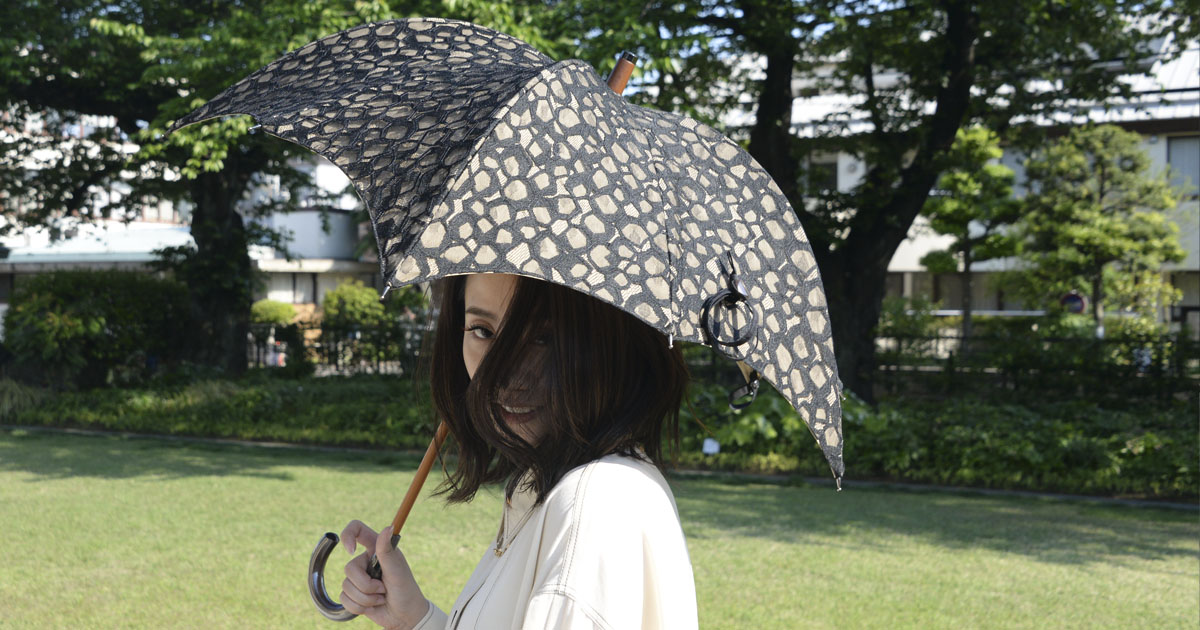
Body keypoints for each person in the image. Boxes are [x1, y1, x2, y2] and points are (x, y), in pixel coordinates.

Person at [336, 272, 698, 630]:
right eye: (482, 331)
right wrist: (414, 620)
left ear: (610, 343)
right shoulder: (553, 485)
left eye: (543, 338)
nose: (503, 374)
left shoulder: (592, 507)